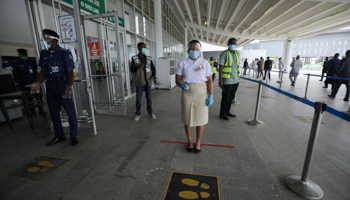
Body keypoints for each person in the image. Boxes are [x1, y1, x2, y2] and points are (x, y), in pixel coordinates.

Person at [26, 29, 78, 146]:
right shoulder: (44, 53)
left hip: (63, 85)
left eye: (46, 37)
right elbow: (42, 72)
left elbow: (70, 72)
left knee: (70, 112)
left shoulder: (65, 53)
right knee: (54, 113)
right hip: (50, 86)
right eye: (44, 37)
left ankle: (73, 137)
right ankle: (59, 136)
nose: (44, 40)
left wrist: (69, 86)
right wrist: (37, 83)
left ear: (54, 39)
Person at [176, 40, 213, 153]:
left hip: (201, 92)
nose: (194, 51)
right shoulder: (183, 63)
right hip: (187, 92)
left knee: (200, 119)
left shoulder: (205, 63)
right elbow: (178, 79)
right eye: (192, 49)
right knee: (188, 119)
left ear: (199, 50)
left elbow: (210, 81)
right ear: (188, 50)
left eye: (196, 49)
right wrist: (181, 84)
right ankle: (190, 141)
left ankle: (198, 142)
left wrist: (210, 95)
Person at [4, 49, 38, 114]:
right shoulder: (15, 63)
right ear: (19, 55)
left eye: (26, 54)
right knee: (29, 98)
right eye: (23, 54)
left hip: (34, 82)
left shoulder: (31, 61)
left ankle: (41, 110)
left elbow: (36, 70)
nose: (25, 56)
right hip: (25, 83)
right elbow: (8, 69)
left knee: (38, 97)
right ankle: (32, 111)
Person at [130, 42, 156, 121]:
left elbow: (153, 69)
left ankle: (150, 112)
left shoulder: (148, 58)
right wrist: (138, 66)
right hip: (139, 82)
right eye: (143, 47)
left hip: (148, 82)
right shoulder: (134, 58)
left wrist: (152, 78)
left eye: (145, 47)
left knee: (149, 99)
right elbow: (132, 70)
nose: (145, 49)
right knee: (138, 99)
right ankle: (137, 114)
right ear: (139, 48)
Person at [218, 38, 240, 120]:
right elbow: (221, 68)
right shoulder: (224, 54)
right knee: (225, 98)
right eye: (231, 43)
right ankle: (222, 113)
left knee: (231, 97)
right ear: (228, 44)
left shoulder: (237, 53)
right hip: (227, 80)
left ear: (236, 44)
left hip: (236, 80)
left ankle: (227, 111)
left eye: (234, 43)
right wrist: (220, 80)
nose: (232, 45)